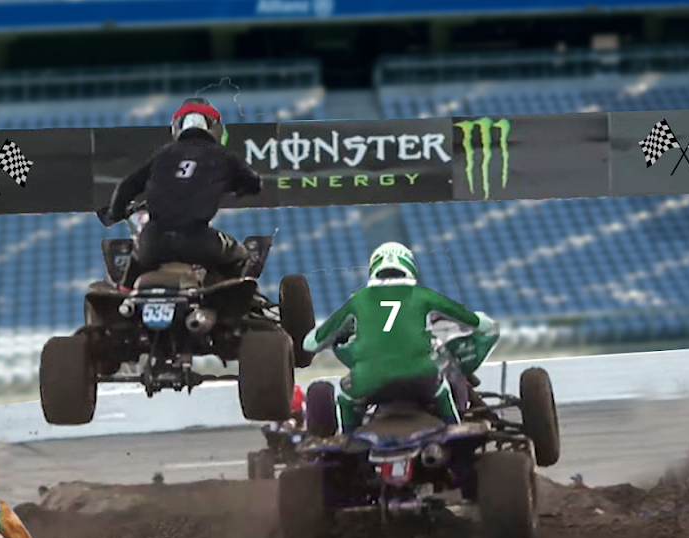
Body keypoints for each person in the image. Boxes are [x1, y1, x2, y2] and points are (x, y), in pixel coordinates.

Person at [301, 242, 500, 434]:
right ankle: (455, 434)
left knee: (345, 399)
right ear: (410, 266)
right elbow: (475, 321)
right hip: (421, 377)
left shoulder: (359, 299)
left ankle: (348, 443)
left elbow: (311, 343)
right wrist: (484, 322)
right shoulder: (424, 295)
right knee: (442, 390)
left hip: (369, 380)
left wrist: (331, 339)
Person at [104, 98, 264, 291]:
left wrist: (115, 213)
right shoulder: (223, 156)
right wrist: (235, 187)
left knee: (136, 258)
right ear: (215, 127)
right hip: (199, 242)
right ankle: (226, 300)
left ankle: (125, 295)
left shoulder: (163, 154)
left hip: (154, 242)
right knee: (239, 255)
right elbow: (254, 183)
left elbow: (125, 186)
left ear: (177, 127)